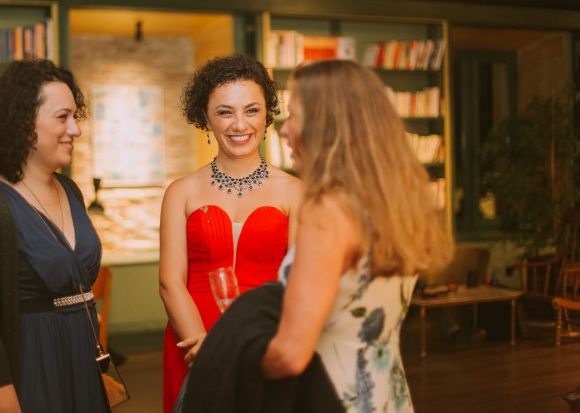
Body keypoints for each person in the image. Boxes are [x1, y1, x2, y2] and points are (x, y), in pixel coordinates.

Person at [182, 59, 453, 412]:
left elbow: (290, 355)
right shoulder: (395, 205)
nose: (284, 130)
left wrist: (226, 358)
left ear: (326, 125)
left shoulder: (327, 213)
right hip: (384, 393)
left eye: (294, 116)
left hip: (331, 395)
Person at [0, 60, 110, 413]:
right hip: (32, 368)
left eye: (75, 116)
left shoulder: (71, 191)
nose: (75, 129)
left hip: (83, 361)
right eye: (62, 117)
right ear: (23, 123)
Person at [159, 53, 301, 412]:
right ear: (205, 118)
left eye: (251, 110)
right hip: (192, 340)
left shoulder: (295, 192)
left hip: (266, 342)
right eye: (225, 112)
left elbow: (300, 282)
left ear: (267, 114)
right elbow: (170, 282)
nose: (240, 124)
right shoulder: (181, 192)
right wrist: (203, 348)